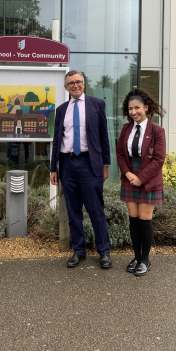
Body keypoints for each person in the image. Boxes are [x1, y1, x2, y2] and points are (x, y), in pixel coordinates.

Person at [50, 70, 112, 269]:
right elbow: (57, 140)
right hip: (67, 164)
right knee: (73, 210)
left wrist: (105, 164)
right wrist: (53, 168)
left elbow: (104, 136)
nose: (75, 85)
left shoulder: (97, 105)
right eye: (71, 83)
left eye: (78, 82)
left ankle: (104, 252)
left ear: (84, 84)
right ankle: (79, 251)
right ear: (66, 87)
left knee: (96, 210)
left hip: (89, 163)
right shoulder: (61, 110)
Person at [116, 88, 166, 277]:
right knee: (133, 220)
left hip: (149, 178)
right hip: (130, 175)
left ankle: (145, 260)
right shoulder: (126, 129)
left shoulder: (157, 131)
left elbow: (159, 159)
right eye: (130, 109)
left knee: (145, 220)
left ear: (146, 107)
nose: (133, 112)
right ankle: (136, 257)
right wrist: (128, 173)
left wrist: (141, 178)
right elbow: (120, 153)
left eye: (137, 107)